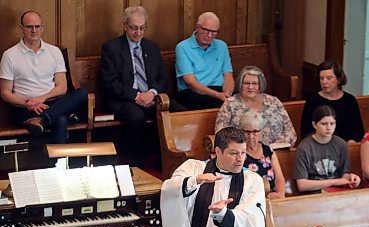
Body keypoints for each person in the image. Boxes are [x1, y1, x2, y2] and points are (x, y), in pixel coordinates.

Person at [101, 6, 185, 166]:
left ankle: (167, 161)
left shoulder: (151, 47)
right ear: (124, 25)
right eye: (133, 28)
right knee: (136, 117)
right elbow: (110, 83)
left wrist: (152, 93)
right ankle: (136, 165)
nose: (137, 32)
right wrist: (136, 96)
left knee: (178, 112)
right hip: (123, 99)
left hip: (152, 97)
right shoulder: (111, 48)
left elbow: (163, 78)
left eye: (142, 28)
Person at [0, 10, 87, 144]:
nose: (34, 30)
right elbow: (5, 93)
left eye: (37, 26)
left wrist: (41, 99)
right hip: (23, 108)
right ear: (21, 28)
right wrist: (30, 103)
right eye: (29, 27)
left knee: (82, 93)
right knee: (61, 119)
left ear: (42, 27)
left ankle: (42, 119)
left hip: (51, 104)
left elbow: (62, 87)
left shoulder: (54, 51)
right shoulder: (10, 55)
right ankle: (58, 164)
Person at [215, 65, 297, 147]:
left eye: (255, 83)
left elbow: (290, 132)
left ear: (260, 84)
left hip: (275, 152)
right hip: (242, 154)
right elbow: (221, 135)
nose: (250, 87)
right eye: (246, 83)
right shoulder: (230, 104)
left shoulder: (274, 102)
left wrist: (270, 149)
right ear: (240, 84)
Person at [294, 105, 360, 194]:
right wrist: (333, 182)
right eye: (324, 124)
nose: (329, 128)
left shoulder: (341, 144)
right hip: (314, 194)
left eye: (332, 123)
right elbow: (302, 185)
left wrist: (351, 178)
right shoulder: (304, 147)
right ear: (314, 125)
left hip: (337, 192)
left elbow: (344, 173)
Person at [175, 12, 234, 110]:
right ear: (197, 27)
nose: (210, 35)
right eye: (206, 30)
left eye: (214, 32)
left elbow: (228, 77)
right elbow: (191, 83)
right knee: (221, 106)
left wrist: (227, 94)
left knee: (244, 101)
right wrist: (218, 95)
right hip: (194, 92)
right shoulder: (182, 47)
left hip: (219, 91)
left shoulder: (222, 46)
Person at [301, 60, 364, 143]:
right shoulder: (312, 101)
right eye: (321, 78)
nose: (324, 82)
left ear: (338, 79)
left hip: (345, 146)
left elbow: (358, 130)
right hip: (320, 147)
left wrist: (352, 141)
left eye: (329, 78)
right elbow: (306, 132)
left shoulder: (349, 100)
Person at [239, 112, 286, 199]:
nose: (250, 136)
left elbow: (279, 178)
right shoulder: (238, 153)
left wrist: (280, 194)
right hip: (249, 199)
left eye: (255, 131)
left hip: (272, 197)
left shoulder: (268, 151)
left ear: (261, 132)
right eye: (246, 132)